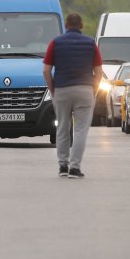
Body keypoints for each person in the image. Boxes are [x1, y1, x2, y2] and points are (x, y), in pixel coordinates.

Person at [42, 13, 103, 179]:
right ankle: (75, 168)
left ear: (66, 25)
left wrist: (52, 89)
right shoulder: (91, 44)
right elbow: (99, 72)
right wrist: (94, 90)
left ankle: (63, 165)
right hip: (84, 89)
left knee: (62, 128)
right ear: (81, 26)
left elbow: (46, 70)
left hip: (62, 89)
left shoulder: (55, 43)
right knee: (81, 130)